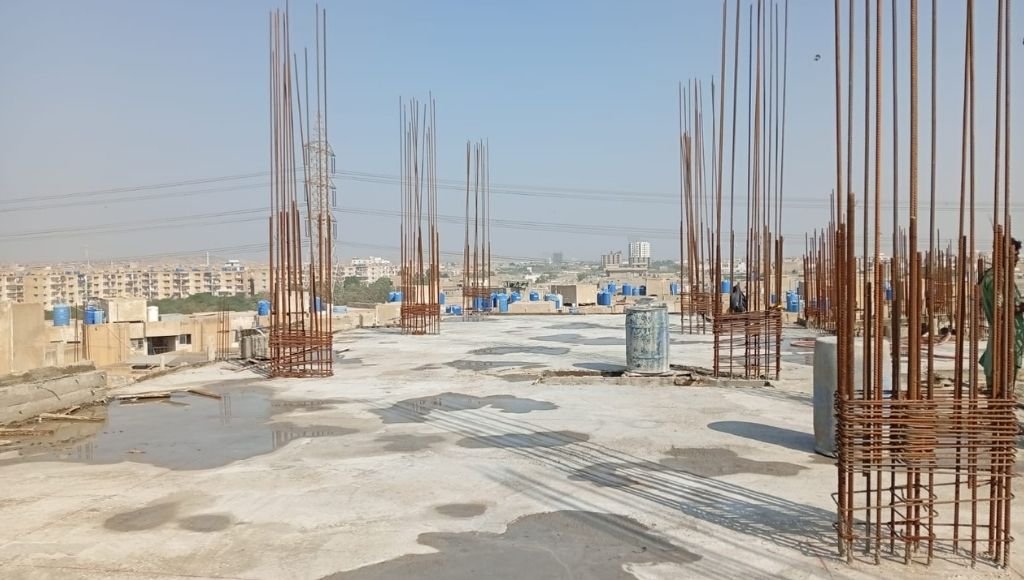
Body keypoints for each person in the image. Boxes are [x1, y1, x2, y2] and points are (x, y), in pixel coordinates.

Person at [979, 237, 1024, 393]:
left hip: (1010, 339)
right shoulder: (995, 279)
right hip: (1003, 339)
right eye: (1014, 254)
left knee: (1006, 391)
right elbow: (1001, 311)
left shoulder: (1004, 277)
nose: (1017, 259)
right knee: (999, 390)